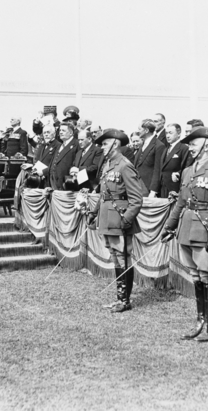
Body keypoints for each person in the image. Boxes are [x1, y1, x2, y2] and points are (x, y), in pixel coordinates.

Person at [162, 127, 208, 342]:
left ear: (206, 145)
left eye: (193, 143)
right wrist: (169, 226)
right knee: (196, 277)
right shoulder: (188, 171)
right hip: (186, 228)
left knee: (207, 276)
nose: (189, 148)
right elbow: (181, 202)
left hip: (205, 230)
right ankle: (200, 320)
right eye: (189, 144)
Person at [88, 129, 143, 313]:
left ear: (115, 144)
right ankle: (120, 298)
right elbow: (104, 194)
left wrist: (126, 219)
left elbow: (136, 199)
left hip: (119, 219)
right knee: (115, 258)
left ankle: (125, 300)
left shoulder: (124, 165)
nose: (102, 147)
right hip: (107, 218)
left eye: (105, 143)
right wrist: (94, 212)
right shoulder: (108, 164)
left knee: (123, 258)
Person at [134, 119, 165, 197]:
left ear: (146, 130)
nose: (138, 131)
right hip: (137, 185)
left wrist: (153, 191)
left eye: (139, 129)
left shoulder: (159, 145)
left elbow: (157, 169)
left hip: (147, 187)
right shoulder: (142, 145)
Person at [158, 123, 190, 198]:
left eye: (170, 133)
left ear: (179, 134)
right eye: (166, 133)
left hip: (175, 188)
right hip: (163, 188)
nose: (167, 136)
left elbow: (186, 167)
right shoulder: (166, 149)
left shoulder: (184, 148)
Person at [49, 123, 79, 190]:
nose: (61, 132)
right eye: (60, 131)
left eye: (63, 130)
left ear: (71, 133)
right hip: (54, 182)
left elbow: (77, 162)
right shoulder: (60, 145)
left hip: (67, 183)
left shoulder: (76, 144)